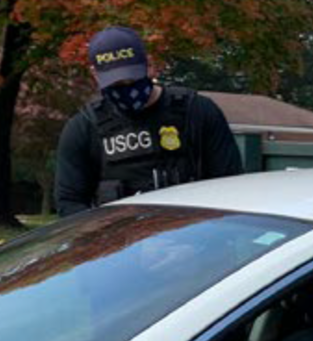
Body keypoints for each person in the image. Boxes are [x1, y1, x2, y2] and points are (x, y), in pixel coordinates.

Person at [55, 26, 244, 217]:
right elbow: (70, 204)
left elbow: (230, 188)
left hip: (193, 237)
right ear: (95, 75)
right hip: (120, 241)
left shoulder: (197, 112)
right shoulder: (84, 128)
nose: (126, 89)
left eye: (131, 79)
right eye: (115, 84)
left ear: (150, 65)